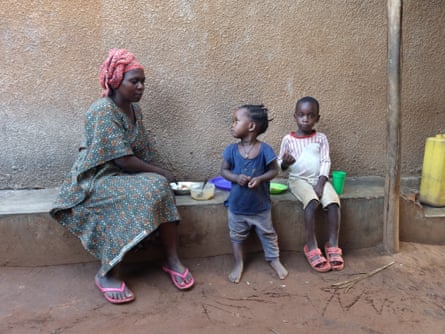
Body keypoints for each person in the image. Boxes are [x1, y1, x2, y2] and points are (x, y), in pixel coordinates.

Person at [50, 48, 194, 304]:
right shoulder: (102, 111)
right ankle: (107, 273)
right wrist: (162, 173)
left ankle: (172, 259)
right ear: (115, 82)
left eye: (143, 82)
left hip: (122, 174)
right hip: (95, 179)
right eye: (134, 81)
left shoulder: (134, 110)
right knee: (155, 185)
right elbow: (122, 159)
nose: (140, 87)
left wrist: (166, 177)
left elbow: (143, 151)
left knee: (160, 187)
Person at [221, 104, 288, 283]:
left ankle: (274, 259)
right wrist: (235, 178)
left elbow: (274, 171)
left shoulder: (265, 149)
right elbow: (224, 172)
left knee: (268, 234)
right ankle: (238, 263)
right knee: (236, 236)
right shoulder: (231, 150)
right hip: (237, 207)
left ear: (251, 126)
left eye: (236, 121)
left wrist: (260, 178)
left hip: (260, 208)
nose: (232, 125)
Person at [278, 96, 344, 272]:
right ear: (295, 116)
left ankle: (332, 244)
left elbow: (325, 161)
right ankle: (311, 245)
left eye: (310, 115)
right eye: (301, 115)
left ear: (317, 118)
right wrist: (285, 162)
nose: (305, 119)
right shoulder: (288, 140)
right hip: (298, 180)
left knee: (333, 203)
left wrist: (322, 183)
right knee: (312, 202)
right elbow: (280, 166)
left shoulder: (321, 138)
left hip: (319, 179)